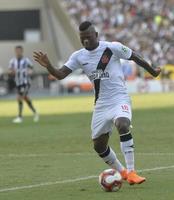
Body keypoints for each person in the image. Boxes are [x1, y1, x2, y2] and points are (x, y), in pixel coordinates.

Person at [33, 21, 161, 185]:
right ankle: (122, 172)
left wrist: (153, 72)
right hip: (101, 104)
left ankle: (132, 172)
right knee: (99, 146)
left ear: (96, 35)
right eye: (82, 38)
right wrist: (49, 65)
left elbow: (135, 57)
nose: (85, 41)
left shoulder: (112, 48)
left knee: (122, 124)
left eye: (88, 37)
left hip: (119, 98)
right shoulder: (78, 56)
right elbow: (60, 74)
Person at [9, 45, 39, 123]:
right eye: (17, 51)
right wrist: (12, 72)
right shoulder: (12, 61)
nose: (18, 52)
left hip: (26, 82)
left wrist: (30, 71)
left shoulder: (26, 60)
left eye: (19, 51)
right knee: (25, 98)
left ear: (22, 51)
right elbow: (10, 71)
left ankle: (20, 117)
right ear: (15, 51)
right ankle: (35, 113)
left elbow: (32, 68)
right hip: (18, 83)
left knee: (19, 97)